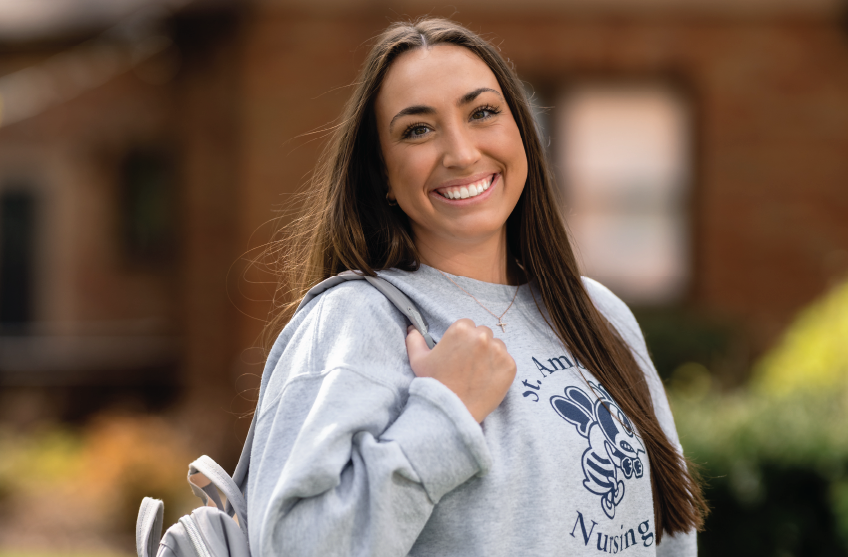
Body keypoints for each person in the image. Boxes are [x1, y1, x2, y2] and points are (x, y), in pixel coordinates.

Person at [247, 17, 707, 557]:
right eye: (417, 129)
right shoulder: (358, 320)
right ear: (383, 176)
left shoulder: (598, 313)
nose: (462, 153)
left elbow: (670, 537)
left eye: (483, 113)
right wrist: (442, 416)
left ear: (523, 134)